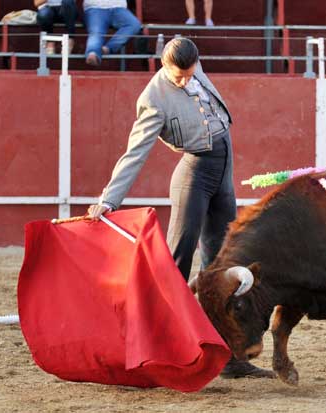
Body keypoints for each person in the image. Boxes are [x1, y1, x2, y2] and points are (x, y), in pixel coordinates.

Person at [87, 37, 275, 380]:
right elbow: (135, 153)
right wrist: (109, 199)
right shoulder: (153, 99)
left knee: (221, 267)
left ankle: (229, 359)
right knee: (176, 263)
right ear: (163, 65)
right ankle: (159, 350)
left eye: (191, 74)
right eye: (179, 77)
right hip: (195, 179)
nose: (187, 81)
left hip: (223, 176)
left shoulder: (190, 61)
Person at [83, 0, 141, 66]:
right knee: (96, 31)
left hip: (119, 7)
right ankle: (93, 53)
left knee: (134, 24)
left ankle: (108, 48)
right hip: (95, 7)